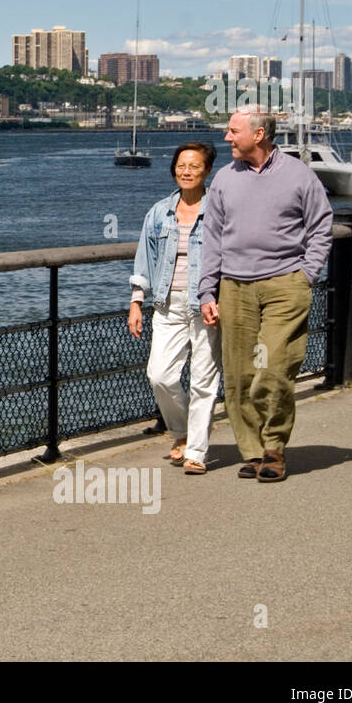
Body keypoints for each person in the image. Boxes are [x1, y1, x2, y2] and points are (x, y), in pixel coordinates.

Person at [198, 109, 332, 483]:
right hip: (233, 287)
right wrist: (207, 290)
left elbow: (321, 226)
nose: (226, 138)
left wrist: (307, 274)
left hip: (285, 284)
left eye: (232, 131)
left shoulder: (298, 175)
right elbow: (212, 239)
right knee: (239, 376)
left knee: (273, 369)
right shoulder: (224, 179)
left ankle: (274, 447)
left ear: (259, 134)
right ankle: (254, 452)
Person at [128, 142, 220, 474]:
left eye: (195, 166)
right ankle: (183, 431)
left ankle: (196, 450)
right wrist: (136, 301)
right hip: (167, 304)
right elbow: (144, 259)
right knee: (160, 376)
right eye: (181, 165)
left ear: (208, 171)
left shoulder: (219, 211)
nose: (186, 171)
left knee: (203, 380)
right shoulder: (158, 212)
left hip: (207, 304)